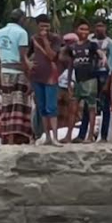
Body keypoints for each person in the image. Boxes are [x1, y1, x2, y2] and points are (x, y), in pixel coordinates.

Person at [0, 9, 32, 145]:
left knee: (7, 105)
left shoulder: (0, 32)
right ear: (21, 19)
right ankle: (16, 138)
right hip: (18, 72)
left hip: (4, 71)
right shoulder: (22, 33)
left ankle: (7, 137)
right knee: (19, 105)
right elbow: (23, 57)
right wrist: (29, 78)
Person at [65, 20, 106, 143]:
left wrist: (103, 58)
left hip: (90, 80)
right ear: (76, 30)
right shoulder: (72, 47)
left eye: (86, 29)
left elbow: (100, 54)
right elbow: (71, 65)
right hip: (77, 81)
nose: (84, 32)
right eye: (81, 29)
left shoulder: (92, 45)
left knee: (91, 109)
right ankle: (68, 136)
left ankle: (89, 136)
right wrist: (68, 82)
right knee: (73, 109)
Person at [29, 14, 63, 145]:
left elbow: (52, 55)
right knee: (42, 107)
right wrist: (28, 64)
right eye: (42, 26)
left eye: (47, 26)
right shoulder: (33, 39)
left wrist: (44, 40)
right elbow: (26, 54)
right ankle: (47, 136)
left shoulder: (55, 39)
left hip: (51, 77)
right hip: (37, 76)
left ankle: (55, 137)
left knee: (52, 107)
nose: (45, 29)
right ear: (37, 26)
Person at [92, 20, 112, 141]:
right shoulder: (91, 42)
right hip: (92, 75)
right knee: (91, 105)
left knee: (105, 107)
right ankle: (90, 134)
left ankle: (104, 135)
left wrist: (109, 80)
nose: (99, 28)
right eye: (97, 26)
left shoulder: (110, 43)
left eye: (102, 26)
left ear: (105, 28)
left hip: (105, 74)